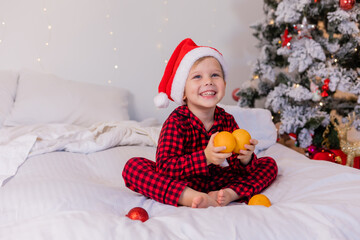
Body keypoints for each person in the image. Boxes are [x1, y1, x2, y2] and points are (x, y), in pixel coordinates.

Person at [122, 38, 278, 208]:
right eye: (197, 76)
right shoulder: (176, 122)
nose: (208, 81)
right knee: (133, 167)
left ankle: (230, 194)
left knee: (268, 164)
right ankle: (188, 197)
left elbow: (238, 169)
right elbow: (165, 168)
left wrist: (245, 159)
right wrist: (205, 157)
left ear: (224, 85)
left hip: (219, 181)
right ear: (183, 92)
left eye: (215, 75)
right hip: (184, 182)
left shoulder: (226, 120)